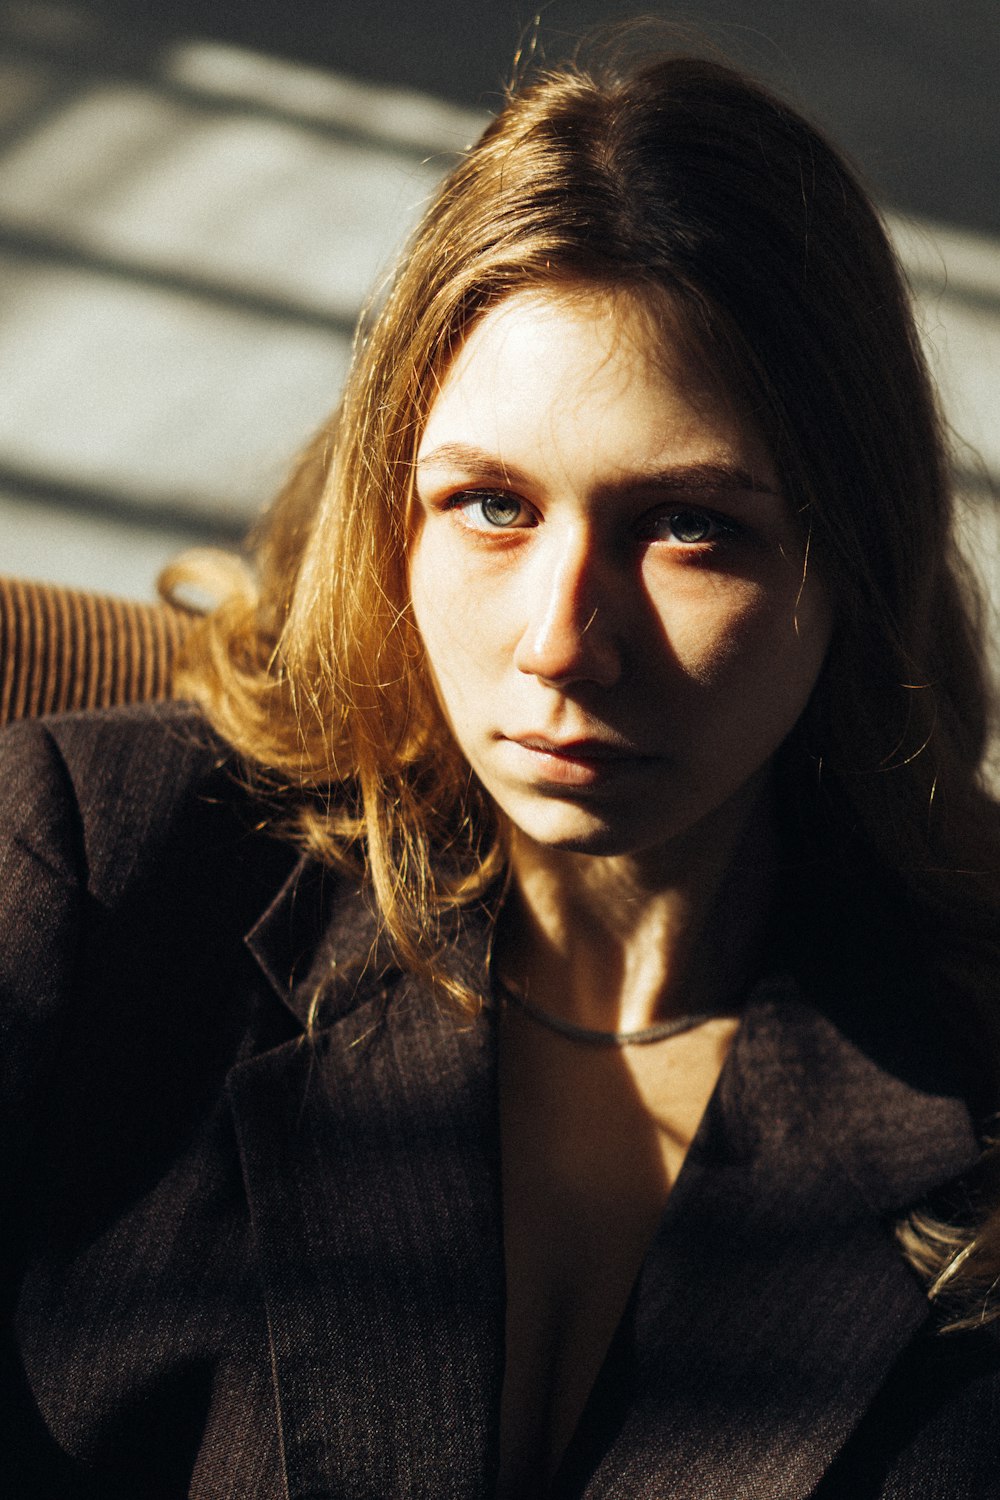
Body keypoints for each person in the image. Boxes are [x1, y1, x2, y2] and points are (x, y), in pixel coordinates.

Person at [2, 38, 999, 1500]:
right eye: (490, 505)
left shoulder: (963, 1047)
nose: (562, 642)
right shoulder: (91, 872)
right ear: (393, 514)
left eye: (690, 528)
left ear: (850, 560)